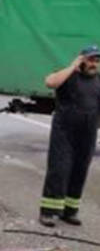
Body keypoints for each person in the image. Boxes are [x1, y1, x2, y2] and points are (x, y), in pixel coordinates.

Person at [38, 44, 100, 227]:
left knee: (79, 171)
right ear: (81, 59)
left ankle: (69, 211)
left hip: (87, 135)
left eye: (97, 60)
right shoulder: (67, 75)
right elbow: (50, 82)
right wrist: (73, 66)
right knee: (59, 170)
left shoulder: (98, 81)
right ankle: (48, 212)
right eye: (90, 59)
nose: (94, 63)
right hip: (64, 133)